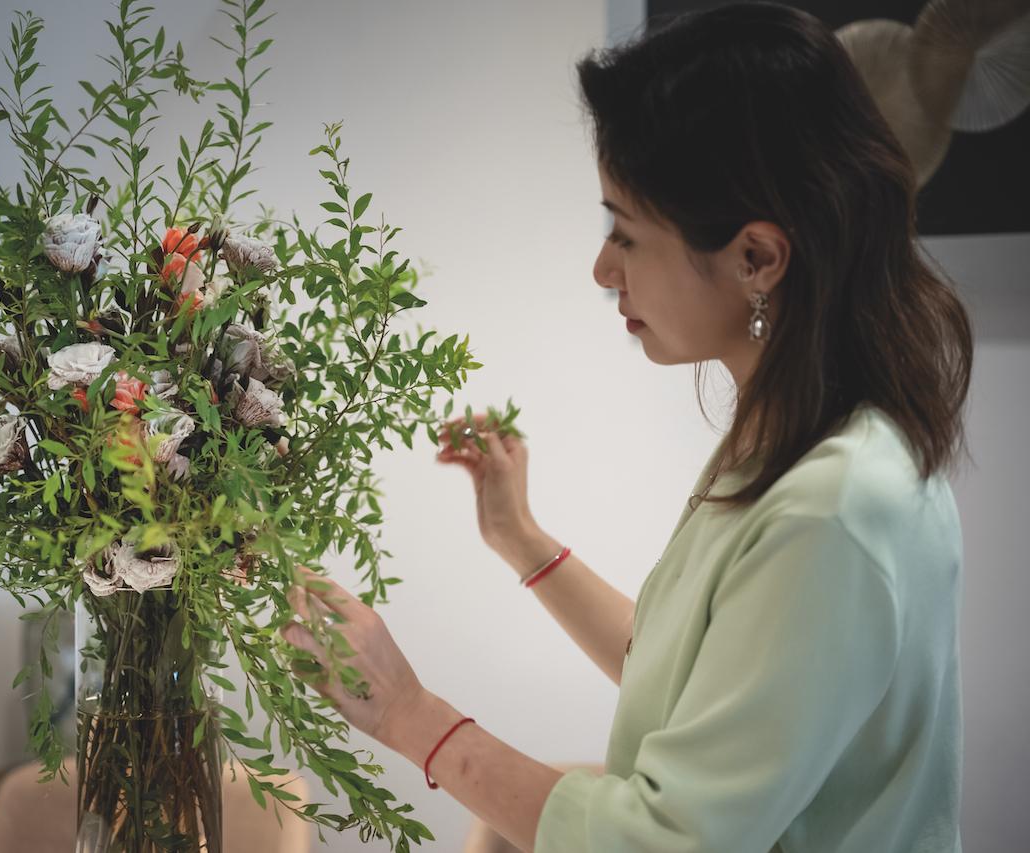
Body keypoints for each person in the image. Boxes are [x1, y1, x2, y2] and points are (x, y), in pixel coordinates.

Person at [278, 2, 972, 850]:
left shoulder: (833, 509)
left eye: (627, 233)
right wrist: (520, 538)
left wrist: (405, 711)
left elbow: (665, 840)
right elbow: (698, 675)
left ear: (757, 257)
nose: (603, 268)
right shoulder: (800, 434)